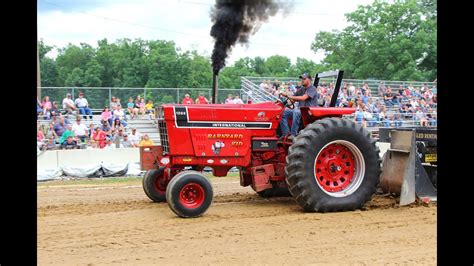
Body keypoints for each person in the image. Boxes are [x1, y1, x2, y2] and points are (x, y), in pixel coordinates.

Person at [279, 73, 319, 139]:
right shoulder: (301, 89)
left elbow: (303, 98)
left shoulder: (312, 88)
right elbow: (293, 99)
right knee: (282, 113)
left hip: (309, 112)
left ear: (309, 80)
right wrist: (284, 102)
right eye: (301, 79)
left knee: (296, 111)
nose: (302, 80)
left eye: (304, 79)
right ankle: (285, 134)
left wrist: (288, 96)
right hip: (301, 111)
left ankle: (293, 134)